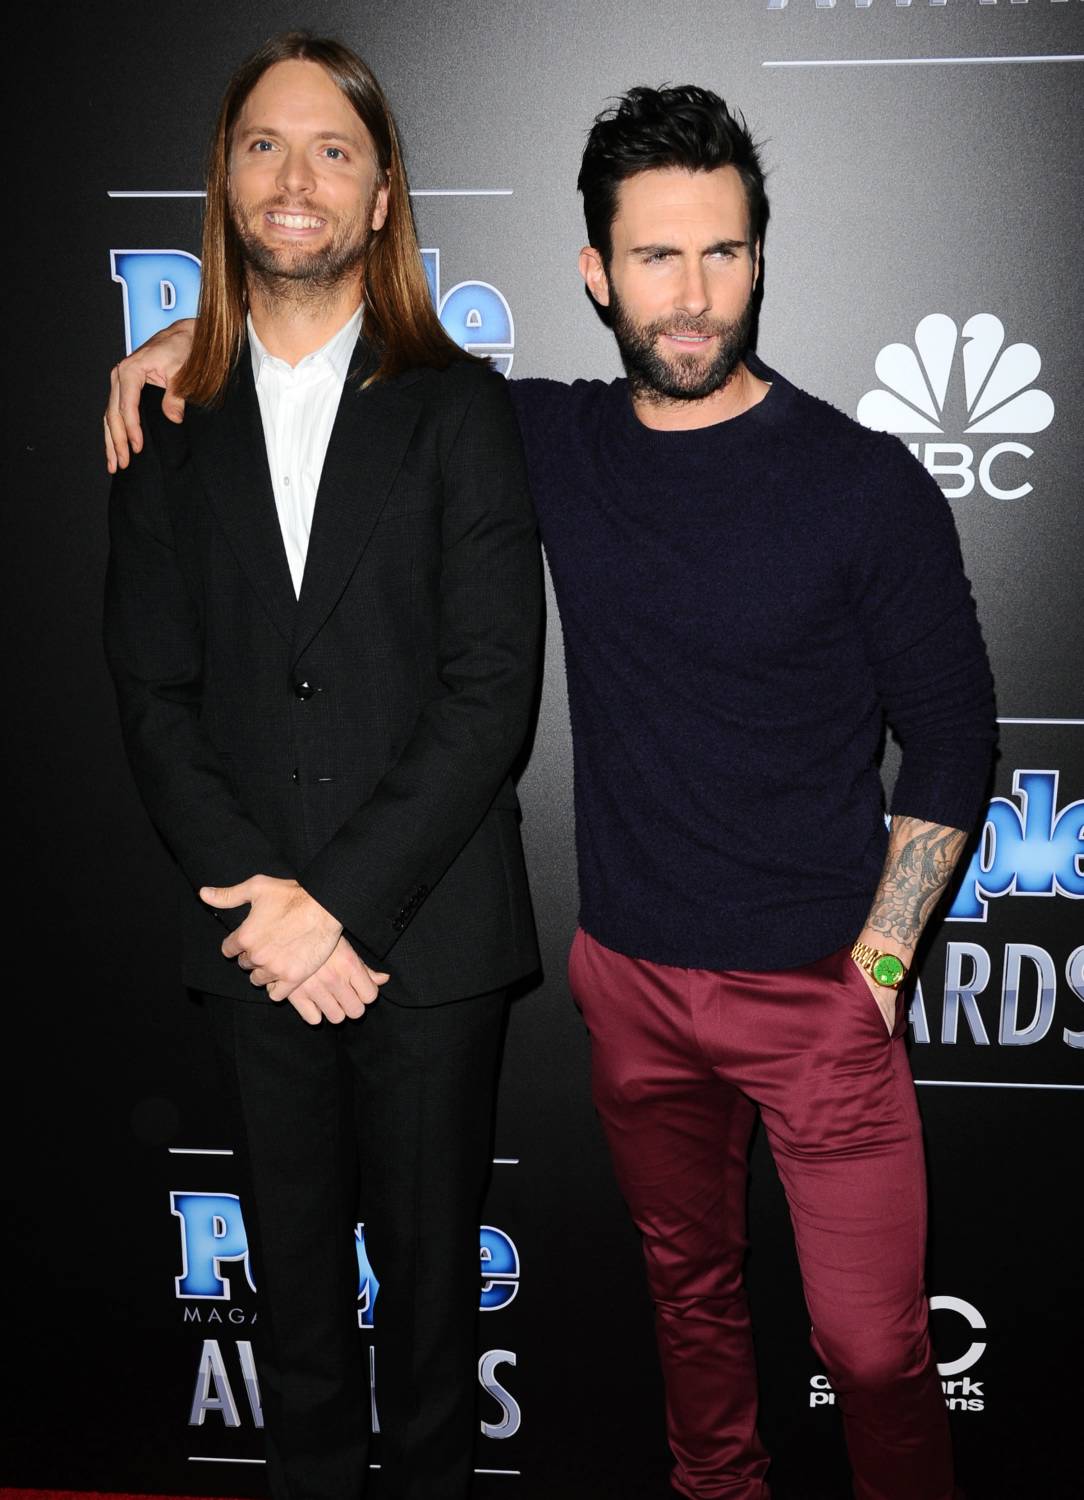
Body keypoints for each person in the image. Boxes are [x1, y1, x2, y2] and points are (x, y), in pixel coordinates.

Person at [104, 83, 995, 1500]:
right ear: (597, 274)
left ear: (762, 259)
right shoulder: (546, 439)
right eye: (657, 257)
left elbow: (952, 742)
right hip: (633, 988)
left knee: (878, 1356)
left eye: (723, 253)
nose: (693, 296)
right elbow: (329, 373)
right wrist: (183, 350)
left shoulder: (865, 483)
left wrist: (881, 961)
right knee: (693, 1320)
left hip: (822, 994)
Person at [102, 32, 541, 1500]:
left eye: (332, 151)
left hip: (424, 940)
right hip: (252, 948)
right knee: (294, 1328)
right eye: (265, 148)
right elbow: (152, 691)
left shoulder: (459, 409)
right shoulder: (166, 421)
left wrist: (329, 909)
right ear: (224, 185)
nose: (297, 180)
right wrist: (264, 909)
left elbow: (493, 696)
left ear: (380, 193)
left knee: (428, 1340)